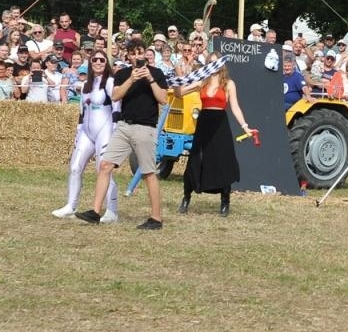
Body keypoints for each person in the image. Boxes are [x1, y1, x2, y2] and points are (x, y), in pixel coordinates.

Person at [76, 39, 169, 230]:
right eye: (133, 53)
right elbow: (116, 96)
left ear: (145, 53)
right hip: (124, 127)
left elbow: (163, 99)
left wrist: (149, 79)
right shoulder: (123, 74)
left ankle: (156, 218)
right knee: (105, 165)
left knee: (148, 172)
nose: (137, 56)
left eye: (140, 52)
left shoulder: (157, 73)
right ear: (128, 55)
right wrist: (132, 79)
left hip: (145, 128)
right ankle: (95, 212)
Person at [174, 55, 254, 217]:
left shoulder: (228, 84)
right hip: (204, 123)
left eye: (216, 62)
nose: (214, 65)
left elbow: (235, 107)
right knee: (195, 160)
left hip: (220, 124)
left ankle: (225, 201)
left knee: (222, 161)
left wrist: (245, 126)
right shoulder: (202, 81)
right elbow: (179, 93)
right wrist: (178, 79)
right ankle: (186, 197)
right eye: (211, 62)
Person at [54, 50, 120, 221]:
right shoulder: (85, 85)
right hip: (86, 132)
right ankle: (70, 205)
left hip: (105, 132)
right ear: (90, 63)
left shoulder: (110, 82)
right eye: (94, 60)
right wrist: (78, 130)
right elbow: (82, 111)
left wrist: (114, 131)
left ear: (106, 63)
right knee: (75, 167)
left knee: (103, 169)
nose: (98, 62)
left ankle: (111, 211)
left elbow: (117, 109)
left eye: (102, 60)